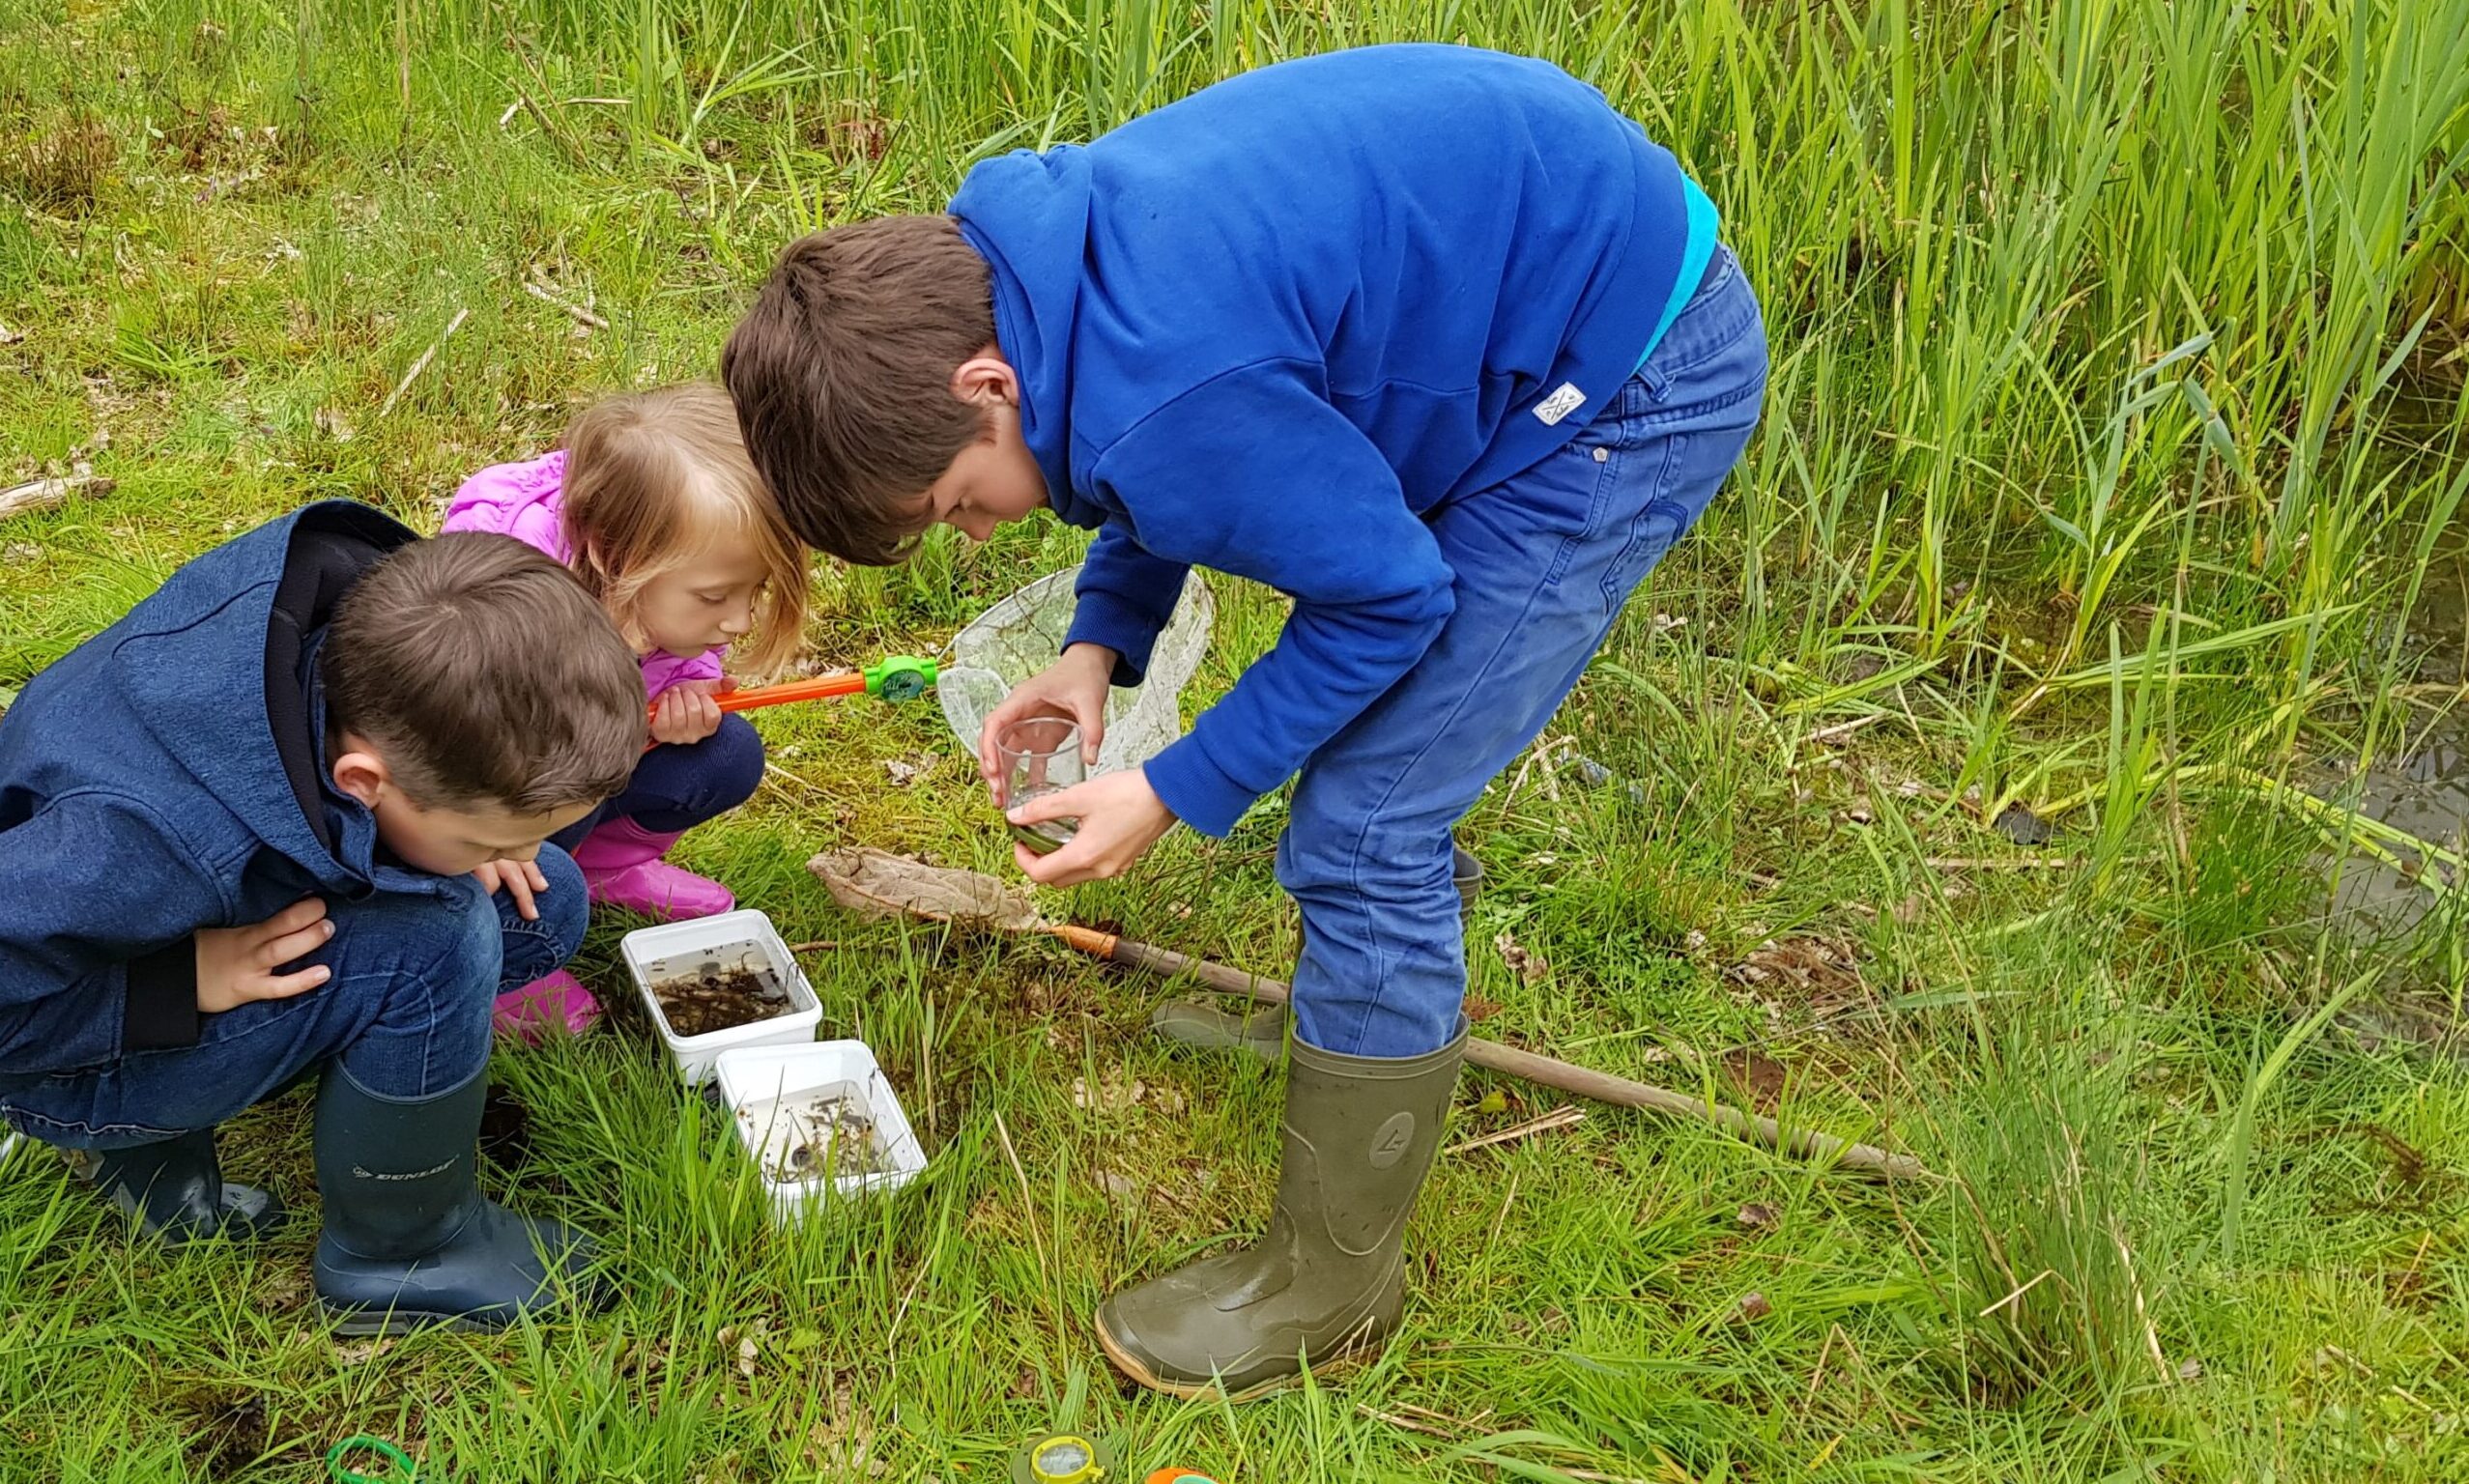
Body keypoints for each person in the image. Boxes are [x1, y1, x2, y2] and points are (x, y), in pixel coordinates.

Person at [723, 43, 1766, 1399]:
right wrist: (1100, 643)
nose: (979, 530)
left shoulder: (1157, 393)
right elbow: (1155, 436)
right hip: (1527, 289)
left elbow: (1386, 596)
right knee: (1366, 758)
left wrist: (1167, 788)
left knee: (1369, 819)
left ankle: (1330, 1278)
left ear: (984, 387)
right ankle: (1358, 1023)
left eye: (954, 506)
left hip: (1620, 382)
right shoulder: (1031, 269)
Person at [0, 505, 646, 1332]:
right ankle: (403, 1254)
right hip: (53, 1059)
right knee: (438, 941)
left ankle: (158, 1154)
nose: (508, 849)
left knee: (539, 899)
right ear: (364, 781)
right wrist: (179, 985)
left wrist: (464, 838)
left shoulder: (347, 640)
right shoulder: (136, 844)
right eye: (489, 833)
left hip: (141, 922)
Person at [445, 383, 809, 1036]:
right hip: (486, 797)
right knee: (556, 784)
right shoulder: (502, 589)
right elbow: (452, 733)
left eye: (753, 590)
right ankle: (500, 957)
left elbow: (685, 659)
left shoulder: (655, 584)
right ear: (622, 559)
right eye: (716, 595)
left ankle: (598, 869)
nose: (739, 619)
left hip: (588, 774)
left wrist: (691, 685)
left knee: (726, 754)